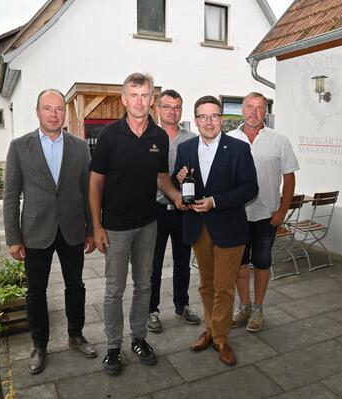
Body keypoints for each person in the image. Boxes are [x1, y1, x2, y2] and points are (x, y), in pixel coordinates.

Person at [89, 73, 184, 376]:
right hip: (115, 227)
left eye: (145, 95)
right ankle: (113, 347)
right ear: (124, 99)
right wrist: (97, 226)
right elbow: (95, 182)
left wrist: (177, 198)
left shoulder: (158, 137)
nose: (140, 101)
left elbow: (161, 178)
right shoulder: (109, 136)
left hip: (148, 224)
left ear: (151, 100)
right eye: (134, 95)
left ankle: (139, 338)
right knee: (114, 289)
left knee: (144, 285)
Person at [3, 89, 97, 375]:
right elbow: (10, 195)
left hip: (71, 229)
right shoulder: (20, 146)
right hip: (35, 230)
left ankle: (76, 335)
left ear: (64, 113)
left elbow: (88, 190)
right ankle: (39, 344)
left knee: (75, 286)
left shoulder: (80, 147)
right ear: (38, 111)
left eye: (59, 109)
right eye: (48, 109)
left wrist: (92, 230)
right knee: (36, 292)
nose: (54, 114)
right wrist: (13, 238)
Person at [174, 95, 258, 366]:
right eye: (203, 116)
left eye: (214, 116)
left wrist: (215, 201)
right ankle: (210, 329)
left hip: (229, 228)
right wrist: (177, 179)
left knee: (224, 287)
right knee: (206, 284)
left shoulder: (238, 148)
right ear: (196, 120)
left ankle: (221, 338)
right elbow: (180, 178)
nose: (209, 122)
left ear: (221, 119)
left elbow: (249, 188)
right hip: (198, 228)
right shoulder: (185, 148)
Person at [227, 92, 299, 332]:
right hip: (236, 216)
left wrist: (282, 210)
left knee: (262, 263)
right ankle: (244, 305)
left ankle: (258, 308)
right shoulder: (228, 139)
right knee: (239, 264)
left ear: (266, 112)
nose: (254, 112)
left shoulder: (279, 140)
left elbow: (289, 179)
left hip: (266, 215)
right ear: (242, 109)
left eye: (260, 108)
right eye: (250, 107)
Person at [147, 89, 200, 333]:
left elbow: (199, 173)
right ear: (158, 108)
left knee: (182, 262)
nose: (172, 111)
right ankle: (152, 310)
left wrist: (185, 177)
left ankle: (182, 304)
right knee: (153, 264)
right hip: (154, 210)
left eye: (177, 107)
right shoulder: (148, 136)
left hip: (183, 210)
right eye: (167, 106)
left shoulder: (192, 139)